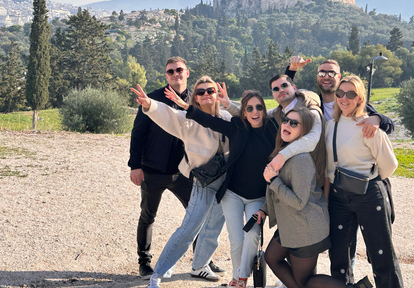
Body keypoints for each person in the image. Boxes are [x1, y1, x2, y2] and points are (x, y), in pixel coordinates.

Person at [167, 87, 278, 288]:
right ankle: (239, 279)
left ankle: (242, 276)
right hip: (233, 194)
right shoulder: (237, 127)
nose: (255, 112)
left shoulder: (273, 131)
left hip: (258, 198)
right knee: (236, 240)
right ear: (243, 112)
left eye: (259, 107)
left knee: (252, 234)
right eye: (250, 108)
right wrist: (187, 107)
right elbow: (210, 121)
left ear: (264, 110)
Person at [127, 57, 222, 279]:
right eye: (171, 71)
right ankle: (144, 262)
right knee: (148, 216)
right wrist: (135, 166)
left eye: (179, 70)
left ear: (187, 73)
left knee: (199, 216)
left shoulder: (198, 99)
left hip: (185, 173)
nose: (175, 74)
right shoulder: (152, 99)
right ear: (166, 75)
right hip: (153, 170)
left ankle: (202, 260)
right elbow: (138, 134)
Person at [254, 107, 371, 288]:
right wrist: (264, 209)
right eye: (285, 120)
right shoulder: (284, 152)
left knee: (304, 283)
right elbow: (277, 192)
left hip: (305, 229)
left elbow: (299, 202)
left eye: (294, 123)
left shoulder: (300, 160)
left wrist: (274, 181)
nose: (287, 124)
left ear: (305, 130)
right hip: (292, 226)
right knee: (271, 257)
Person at [325, 75, 403, 288]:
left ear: (360, 98)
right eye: (340, 93)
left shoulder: (369, 126)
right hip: (339, 195)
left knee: (381, 253)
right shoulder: (331, 126)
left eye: (351, 94)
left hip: (369, 193)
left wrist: (369, 179)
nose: (344, 98)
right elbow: (330, 166)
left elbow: (389, 165)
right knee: (339, 255)